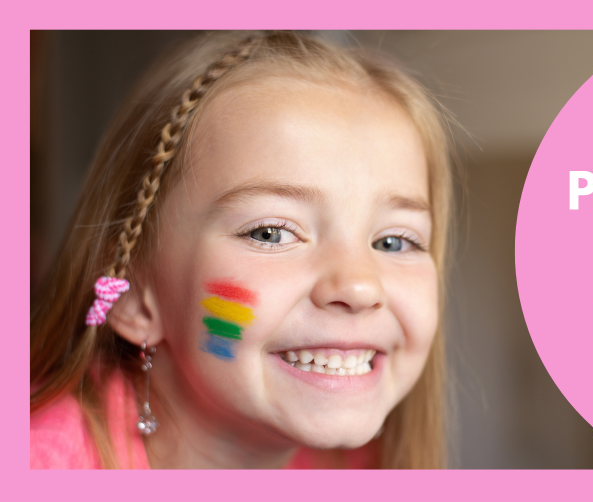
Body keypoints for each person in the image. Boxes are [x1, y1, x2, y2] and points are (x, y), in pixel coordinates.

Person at [30, 31, 454, 469]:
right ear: (133, 294)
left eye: (393, 241)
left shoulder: (354, 464)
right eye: (270, 233)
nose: (360, 286)